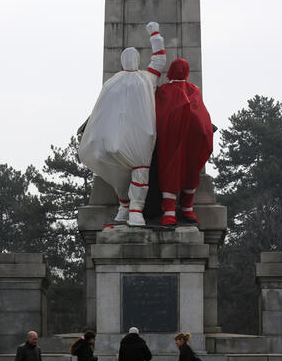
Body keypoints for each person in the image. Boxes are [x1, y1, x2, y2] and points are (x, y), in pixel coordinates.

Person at [78, 21, 166, 226]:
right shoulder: (146, 78)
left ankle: (124, 207)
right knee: (140, 171)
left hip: (117, 137)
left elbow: (99, 112)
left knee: (119, 175)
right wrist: (155, 34)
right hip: (143, 137)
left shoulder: (113, 82)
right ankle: (134, 210)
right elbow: (159, 60)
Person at [154, 58, 214, 227]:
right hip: (191, 138)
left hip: (170, 137)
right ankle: (187, 208)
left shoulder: (164, 90)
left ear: (170, 71)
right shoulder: (194, 90)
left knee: (170, 170)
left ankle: (169, 212)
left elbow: (158, 113)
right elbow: (201, 115)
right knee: (190, 170)